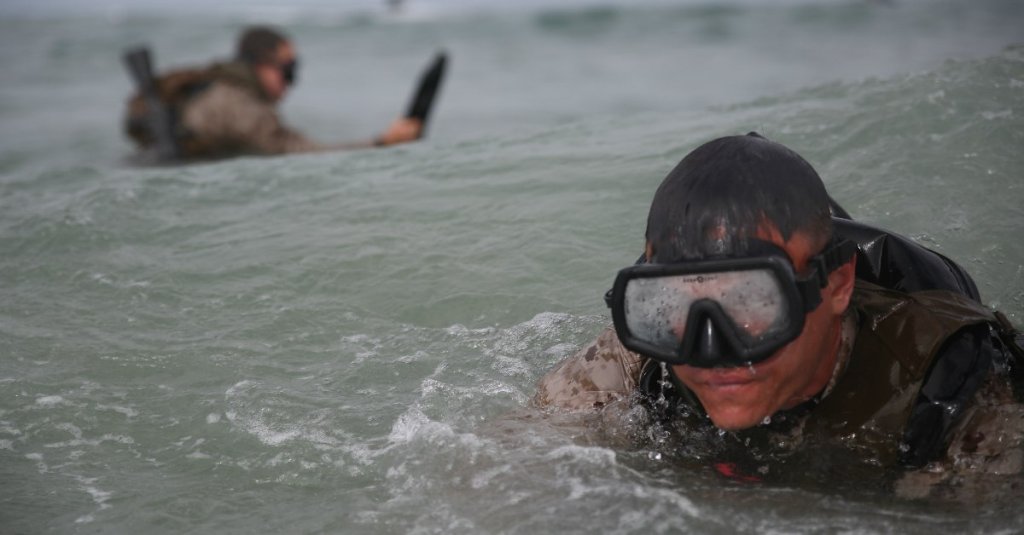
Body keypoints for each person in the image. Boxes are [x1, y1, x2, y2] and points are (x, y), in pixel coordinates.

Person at [534, 133, 1024, 482]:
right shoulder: (649, 348)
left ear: (838, 284)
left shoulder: (959, 403)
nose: (711, 350)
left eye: (751, 299)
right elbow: (518, 465)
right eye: (680, 301)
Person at [124, 26, 422, 160]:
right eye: (288, 70)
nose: (292, 82)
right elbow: (300, 155)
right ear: (261, 65)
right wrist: (381, 143)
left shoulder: (216, 87)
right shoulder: (240, 105)